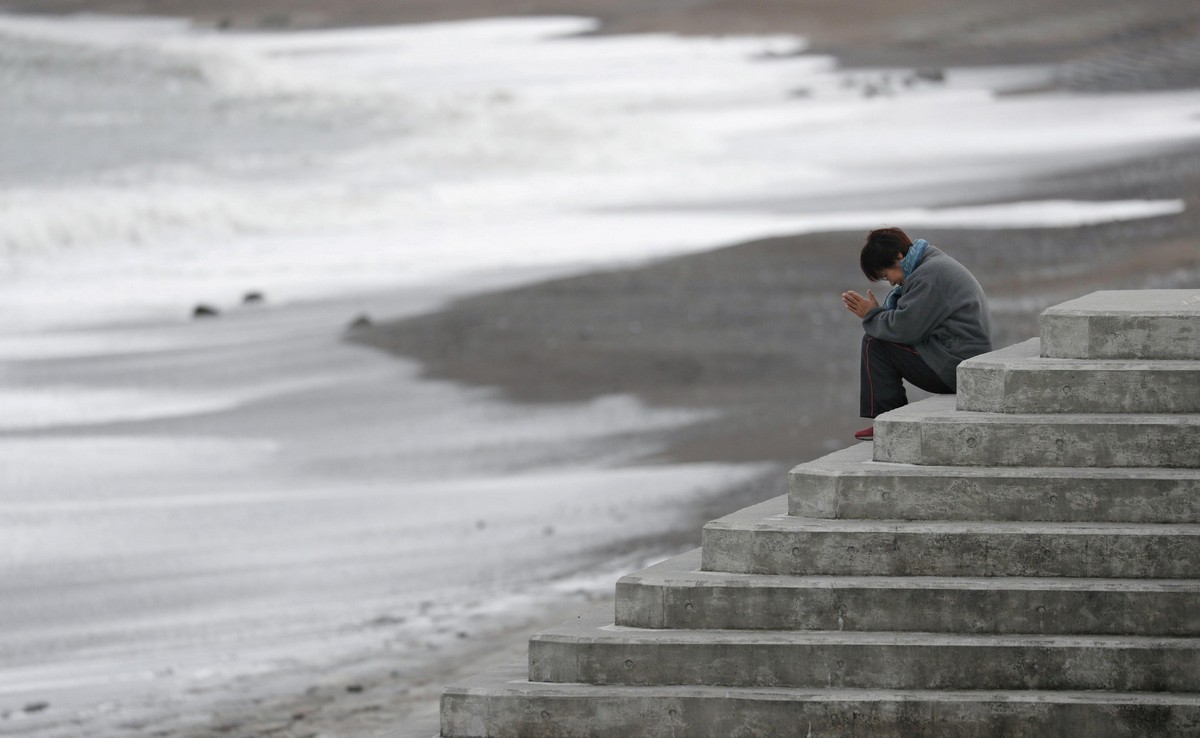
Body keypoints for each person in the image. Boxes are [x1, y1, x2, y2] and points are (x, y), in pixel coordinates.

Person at [841, 227, 992, 441]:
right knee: (878, 336)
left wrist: (872, 315)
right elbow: (911, 322)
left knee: (874, 342)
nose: (892, 282)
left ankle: (889, 422)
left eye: (886, 275)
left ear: (898, 256)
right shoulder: (932, 264)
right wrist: (878, 315)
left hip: (960, 369)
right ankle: (888, 420)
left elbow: (905, 329)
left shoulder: (929, 275)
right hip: (962, 360)